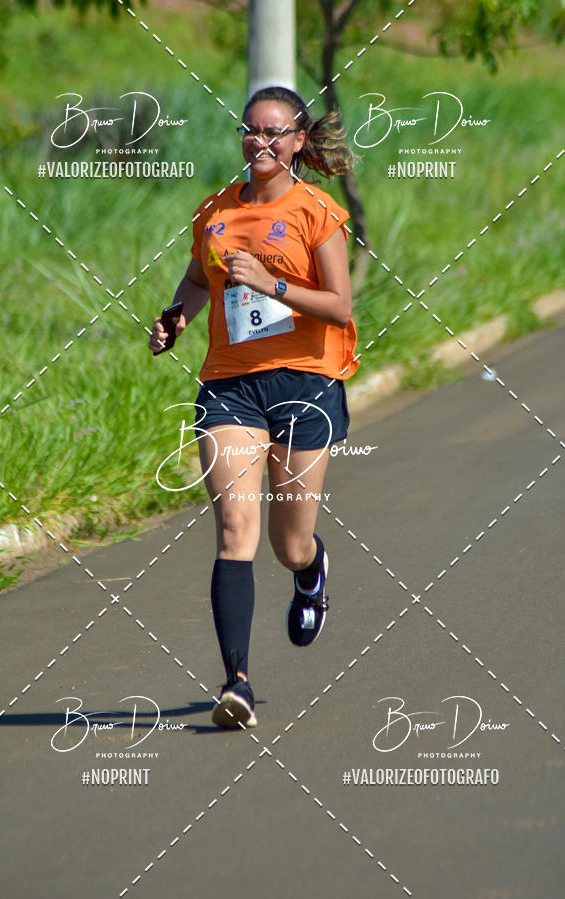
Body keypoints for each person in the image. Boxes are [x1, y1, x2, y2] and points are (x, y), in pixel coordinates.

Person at [149, 86, 359, 729]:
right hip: (231, 384)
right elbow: (198, 276)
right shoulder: (215, 211)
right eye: (251, 131)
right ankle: (235, 681)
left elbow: (340, 307)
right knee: (235, 531)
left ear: (298, 142)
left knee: (286, 542)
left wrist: (271, 283)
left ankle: (310, 568)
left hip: (306, 383)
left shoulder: (315, 211)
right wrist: (178, 318)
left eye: (275, 133)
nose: (260, 143)